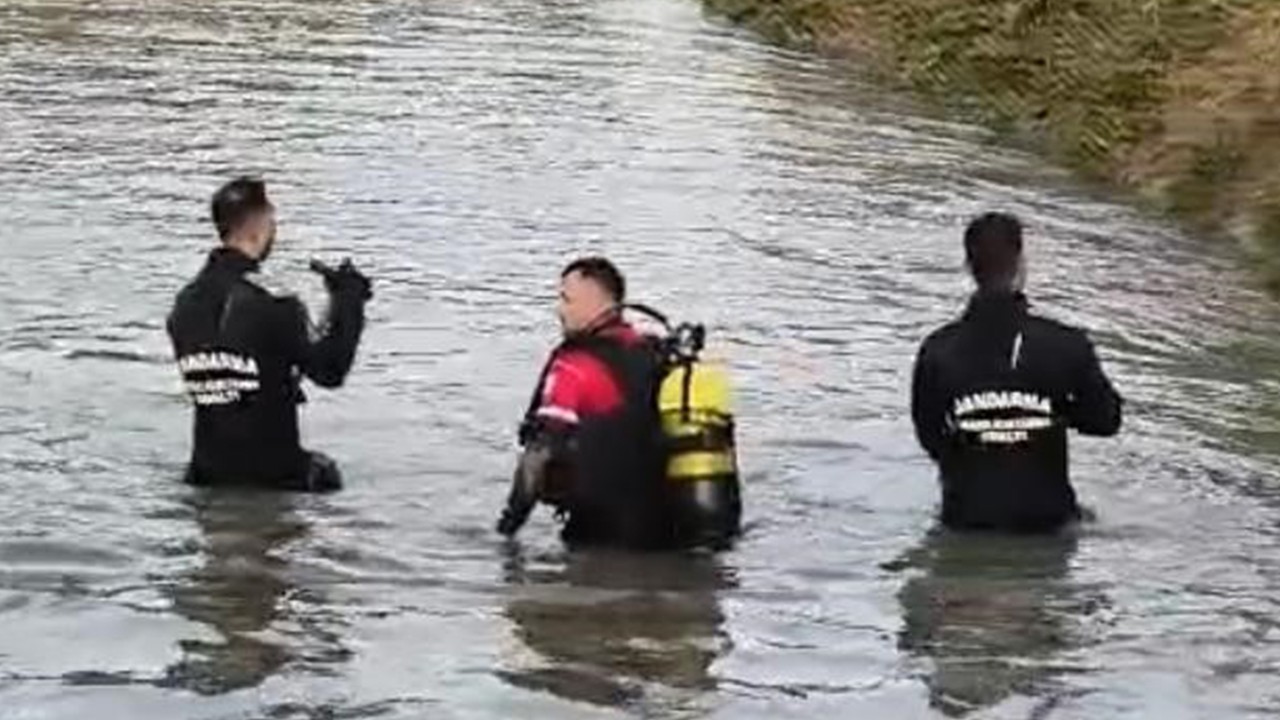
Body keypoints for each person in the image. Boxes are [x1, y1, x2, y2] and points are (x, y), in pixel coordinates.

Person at [911, 212, 1122, 532]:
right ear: (1021, 264)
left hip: (966, 522)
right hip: (1048, 523)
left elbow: (929, 438)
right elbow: (1107, 421)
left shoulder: (937, 350)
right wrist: (1053, 409)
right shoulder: (1066, 344)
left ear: (968, 267)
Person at [167, 177, 371, 492]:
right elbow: (330, 370)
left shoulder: (184, 305)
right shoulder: (274, 304)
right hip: (276, 481)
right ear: (259, 227)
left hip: (207, 477)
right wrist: (348, 303)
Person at [496, 257, 670, 548]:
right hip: (670, 530)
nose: (559, 310)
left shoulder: (574, 367)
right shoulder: (652, 351)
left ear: (593, 301)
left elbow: (539, 455)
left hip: (603, 538)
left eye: (566, 299)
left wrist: (507, 531)